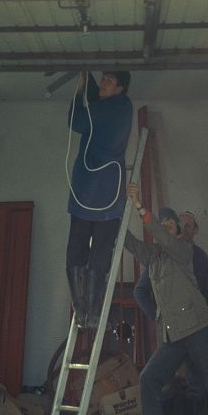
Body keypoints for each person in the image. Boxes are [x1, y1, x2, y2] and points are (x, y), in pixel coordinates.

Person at [124, 183, 208, 415]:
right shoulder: (154, 258)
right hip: (173, 336)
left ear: (178, 232)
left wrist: (139, 206)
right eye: (162, 223)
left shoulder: (183, 250)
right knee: (148, 379)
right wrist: (115, 217)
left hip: (198, 329)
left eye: (169, 225)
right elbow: (132, 244)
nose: (165, 227)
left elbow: (163, 238)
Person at [66, 70, 132, 328]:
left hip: (89, 190)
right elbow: (99, 99)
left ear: (120, 88)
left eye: (109, 81)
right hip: (106, 194)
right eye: (102, 79)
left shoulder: (105, 109)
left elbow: (76, 121)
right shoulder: (121, 107)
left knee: (78, 250)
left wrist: (80, 90)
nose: (103, 83)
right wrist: (89, 78)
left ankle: (82, 310)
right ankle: (90, 312)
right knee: (98, 253)